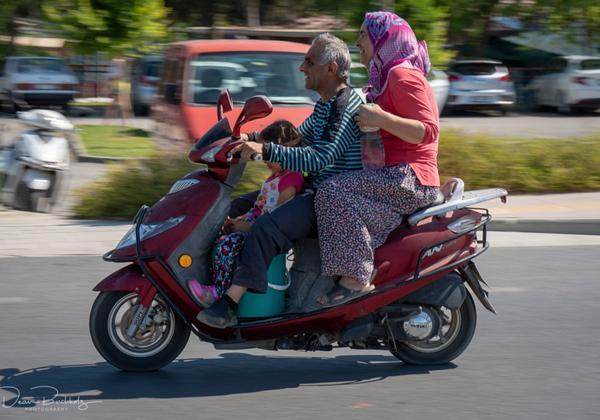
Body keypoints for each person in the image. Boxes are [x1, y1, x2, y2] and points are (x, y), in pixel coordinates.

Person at [196, 33, 364, 328]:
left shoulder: (344, 105)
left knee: (265, 226)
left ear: (331, 68)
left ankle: (230, 303)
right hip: (315, 191)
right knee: (233, 205)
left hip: (331, 197)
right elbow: (295, 138)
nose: (302, 68)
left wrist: (267, 150)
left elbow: (319, 158)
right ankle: (213, 281)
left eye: (308, 62)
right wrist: (244, 138)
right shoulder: (325, 105)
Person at [315, 11, 441, 305]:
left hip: (411, 176)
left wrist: (381, 118)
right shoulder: (385, 77)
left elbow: (429, 131)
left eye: (363, 34)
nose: (357, 41)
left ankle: (357, 277)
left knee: (332, 191)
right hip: (395, 176)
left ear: (383, 39)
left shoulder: (401, 75)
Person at [187, 120, 304, 307]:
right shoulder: (277, 176)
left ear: (281, 150)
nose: (263, 159)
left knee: (228, 245)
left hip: (264, 232)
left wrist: (244, 226)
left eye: (266, 153)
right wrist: (238, 220)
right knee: (219, 237)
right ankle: (211, 282)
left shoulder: (291, 180)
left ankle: (218, 292)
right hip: (254, 223)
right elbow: (260, 207)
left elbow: (278, 218)